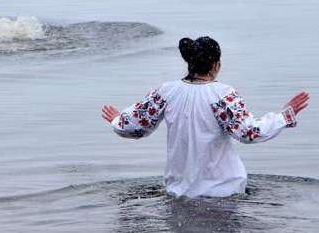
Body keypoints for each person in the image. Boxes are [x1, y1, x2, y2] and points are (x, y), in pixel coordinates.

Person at [101, 36, 310, 198]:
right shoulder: (223, 95)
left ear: (189, 64)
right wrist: (284, 116)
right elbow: (249, 133)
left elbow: (135, 127)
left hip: (179, 193)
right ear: (215, 65)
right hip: (223, 191)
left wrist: (118, 120)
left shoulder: (166, 92)